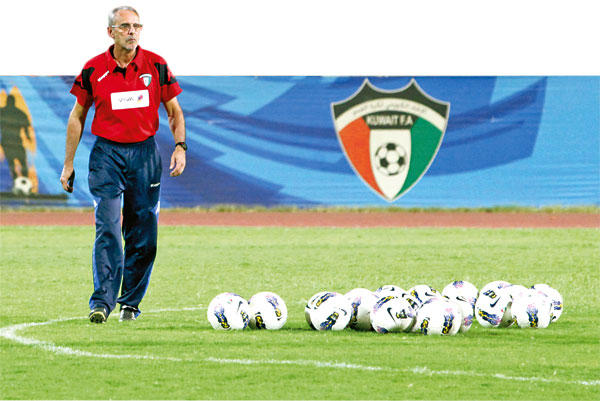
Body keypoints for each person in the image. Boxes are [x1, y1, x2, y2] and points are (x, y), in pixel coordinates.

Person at [60, 6, 187, 323]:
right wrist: (68, 163)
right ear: (111, 32)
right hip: (107, 156)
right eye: (125, 26)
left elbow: (174, 111)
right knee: (108, 226)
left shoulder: (156, 65)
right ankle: (101, 303)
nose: (132, 31)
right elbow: (77, 116)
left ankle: (130, 303)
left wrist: (180, 146)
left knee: (143, 231)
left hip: (145, 155)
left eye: (137, 26)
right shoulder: (93, 69)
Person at [0, 94, 32, 185]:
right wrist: (28, 137)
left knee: (13, 164)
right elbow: (26, 128)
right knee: (21, 163)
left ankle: (20, 183)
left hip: (9, 143)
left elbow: (26, 127)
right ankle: (21, 183)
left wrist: (28, 137)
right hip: (15, 143)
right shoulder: (19, 113)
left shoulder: (2, 112)